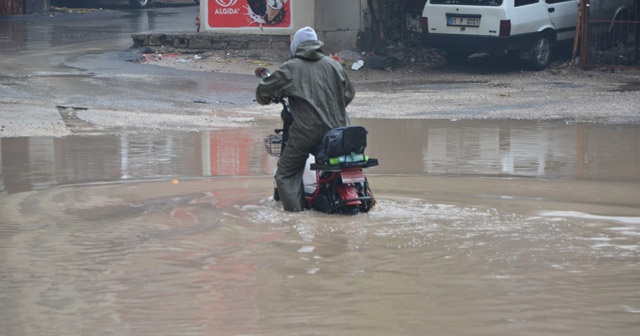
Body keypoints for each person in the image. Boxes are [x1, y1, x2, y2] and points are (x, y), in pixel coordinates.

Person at [256, 26, 356, 212]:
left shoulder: (291, 68)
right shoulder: (334, 65)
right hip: (340, 132)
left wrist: (267, 96)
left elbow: (264, 92)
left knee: (286, 173)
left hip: (307, 132)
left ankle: (295, 217)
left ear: (296, 47)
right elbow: (349, 94)